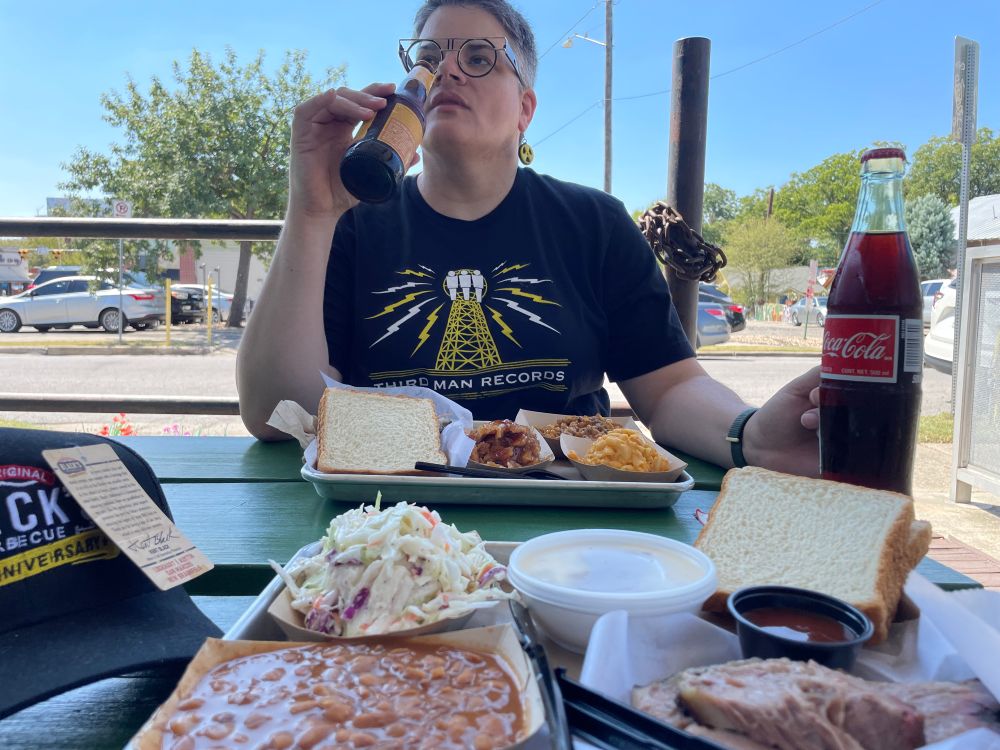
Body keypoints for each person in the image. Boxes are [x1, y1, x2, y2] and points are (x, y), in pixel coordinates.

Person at [237, 0, 822, 476]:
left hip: (566, 504)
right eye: (429, 57)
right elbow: (276, 415)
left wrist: (750, 434)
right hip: (396, 510)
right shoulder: (350, 225)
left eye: (480, 56)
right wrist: (311, 212)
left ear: (525, 109)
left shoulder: (594, 222)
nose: (448, 71)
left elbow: (669, 390)